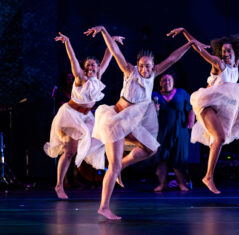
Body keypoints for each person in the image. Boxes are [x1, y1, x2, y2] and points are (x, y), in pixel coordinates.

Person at [84, 25, 199, 220]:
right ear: (137, 65)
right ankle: (104, 206)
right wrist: (104, 31)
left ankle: (122, 165)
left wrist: (190, 43)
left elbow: (172, 58)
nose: (145, 69)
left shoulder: (154, 73)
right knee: (112, 167)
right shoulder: (130, 71)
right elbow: (115, 51)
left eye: (148, 65)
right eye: (142, 65)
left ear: (153, 66)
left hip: (132, 123)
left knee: (151, 149)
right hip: (116, 121)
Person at [167, 23, 239, 194]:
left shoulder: (236, 63)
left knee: (236, 125)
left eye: (229, 51)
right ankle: (208, 177)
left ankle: (210, 167)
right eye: (223, 51)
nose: (226, 54)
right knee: (220, 138)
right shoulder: (218, 64)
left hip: (223, 107)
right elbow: (199, 50)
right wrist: (185, 32)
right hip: (207, 105)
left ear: (235, 51)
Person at [44, 32, 124, 199]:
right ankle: (59, 185)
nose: (90, 68)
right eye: (88, 65)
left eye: (93, 65)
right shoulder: (80, 77)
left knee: (104, 138)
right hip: (70, 116)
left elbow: (108, 55)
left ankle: (115, 171)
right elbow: (73, 59)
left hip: (86, 117)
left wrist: (112, 41)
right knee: (68, 152)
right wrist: (67, 42)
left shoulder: (99, 76)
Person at [152, 73, 195, 192]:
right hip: (161, 131)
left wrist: (191, 122)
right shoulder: (154, 95)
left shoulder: (181, 93)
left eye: (169, 80)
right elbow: (146, 114)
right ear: (160, 83)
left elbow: (191, 108)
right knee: (161, 157)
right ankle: (162, 184)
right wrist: (154, 110)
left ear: (173, 81)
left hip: (179, 130)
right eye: (164, 80)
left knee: (179, 157)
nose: (167, 82)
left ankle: (181, 183)